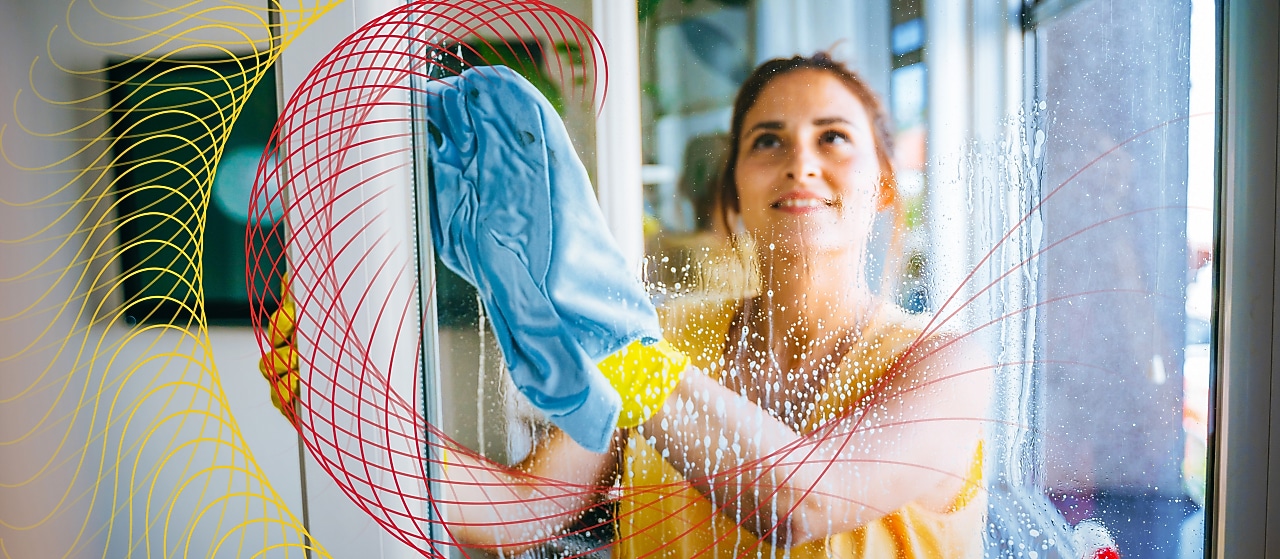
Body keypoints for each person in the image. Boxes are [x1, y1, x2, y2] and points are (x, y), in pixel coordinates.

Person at [261, 52, 991, 558]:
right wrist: (354, 422)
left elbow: (800, 501)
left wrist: (608, 336)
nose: (800, 159)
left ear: (886, 187)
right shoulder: (673, 333)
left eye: (833, 137)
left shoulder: (946, 366)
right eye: (767, 140)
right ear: (732, 191)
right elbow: (528, 509)